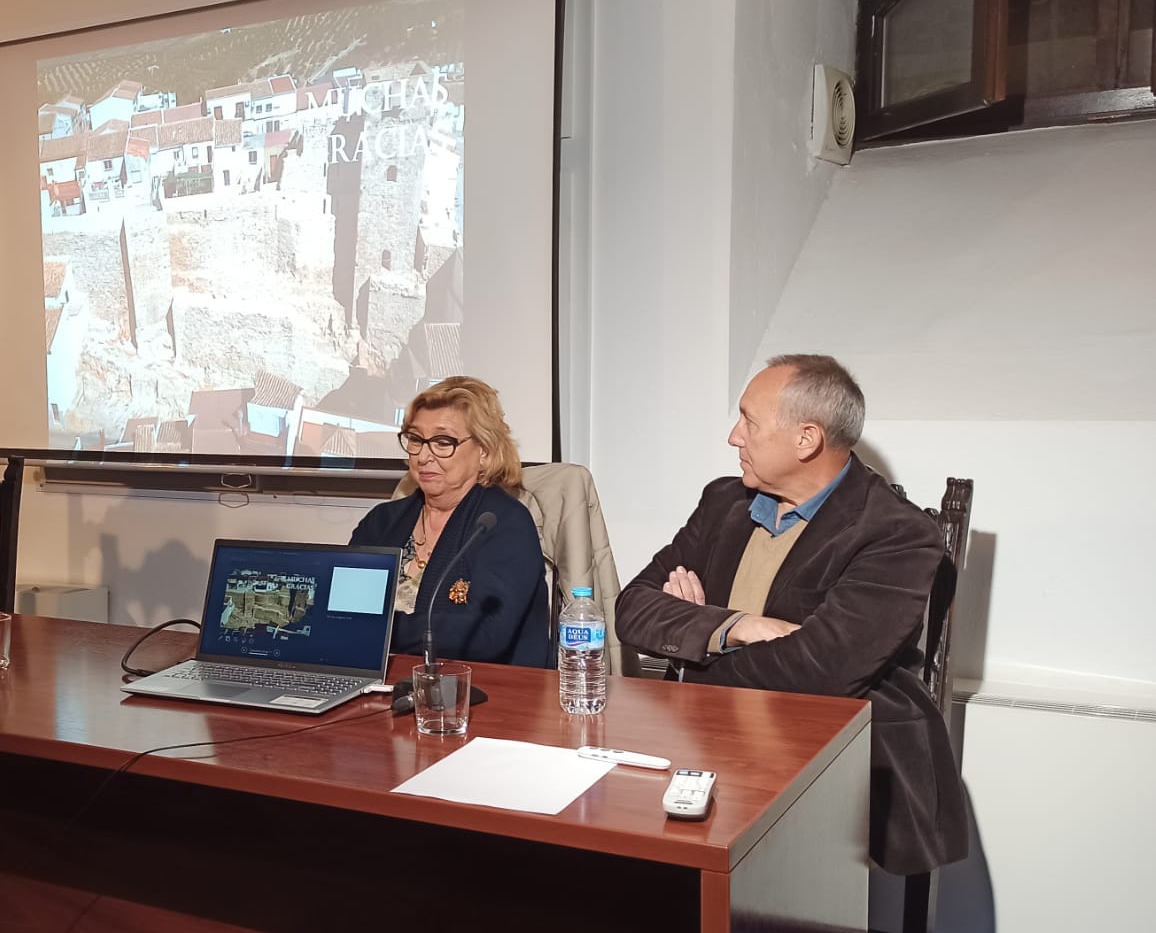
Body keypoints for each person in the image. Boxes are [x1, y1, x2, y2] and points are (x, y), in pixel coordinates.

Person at [615, 354, 966, 874]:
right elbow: (633, 606)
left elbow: (822, 669)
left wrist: (696, 648)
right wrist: (736, 627)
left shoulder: (899, 533)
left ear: (806, 440)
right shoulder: (723, 502)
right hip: (705, 740)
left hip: (830, 760)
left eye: (749, 422)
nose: (734, 437)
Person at [348, 376, 550, 667]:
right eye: (416, 440)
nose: (424, 456)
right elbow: (342, 612)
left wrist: (382, 629)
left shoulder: (504, 523)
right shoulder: (382, 521)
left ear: (485, 452)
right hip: (379, 683)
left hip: (485, 693)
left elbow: (485, 634)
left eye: (443, 442)